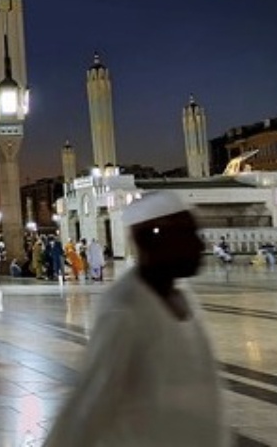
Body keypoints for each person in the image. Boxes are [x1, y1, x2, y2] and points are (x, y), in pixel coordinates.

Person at [45, 191, 228, 446]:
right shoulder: (125, 309)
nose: (200, 246)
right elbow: (88, 406)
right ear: (155, 240)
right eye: (188, 235)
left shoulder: (183, 299)